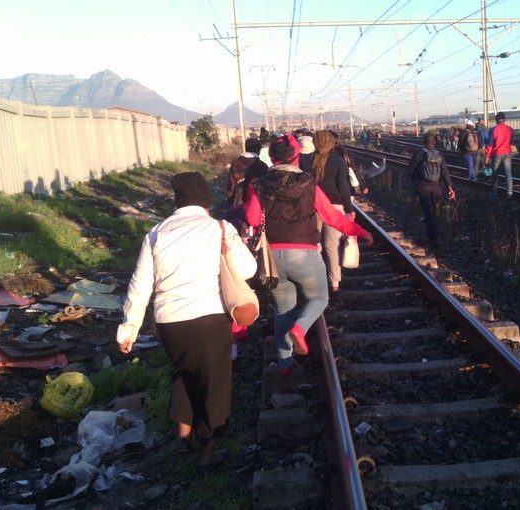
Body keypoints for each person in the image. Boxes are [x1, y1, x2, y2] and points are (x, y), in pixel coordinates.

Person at [117, 172, 256, 474]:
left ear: (176, 201)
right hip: (209, 318)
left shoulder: (155, 233)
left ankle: (182, 437)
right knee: (215, 384)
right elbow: (248, 269)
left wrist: (129, 329)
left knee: (184, 371)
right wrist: (230, 248)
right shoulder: (219, 228)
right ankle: (207, 453)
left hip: (170, 324)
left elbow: (140, 285)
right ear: (206, 200)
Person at [243, 134, 373, 376]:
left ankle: (284, 364)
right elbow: (333, 218)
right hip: (305, 255)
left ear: (271, 157)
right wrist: (361, 232)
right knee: (318, 298)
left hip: (271, 258)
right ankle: (301, 329)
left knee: (282, 310)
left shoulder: (258, 185)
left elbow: (250, 219)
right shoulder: (309, 184)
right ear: (297, 157)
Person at [313, 130, 355, 294]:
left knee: (315, 245)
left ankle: (316, 280)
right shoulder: (338, 161)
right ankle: (335, 283)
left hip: (313, 206)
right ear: (331, 143)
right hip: (334, 207)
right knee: (332, 246)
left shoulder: (307, 160)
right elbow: (344, 188)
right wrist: (349, 209)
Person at [409, 133, 456, 248]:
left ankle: (435, 237)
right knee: (433, 211)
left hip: (423, 187)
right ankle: (434, 235)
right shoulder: (439, 155)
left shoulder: (418, 153)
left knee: (428, 213)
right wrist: (450, 188)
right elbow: (445, 172)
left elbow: (411, 171)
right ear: (434, 142)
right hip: (436, 187)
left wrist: (416, 181)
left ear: (424, 142)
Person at [227, 138, 269, 207]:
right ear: (258, 150)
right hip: (256, 205)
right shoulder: (263, 166)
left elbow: (231, 185)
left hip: (238, 205)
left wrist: (230, 202)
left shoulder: (236, 163)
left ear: (246, 148)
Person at [485, 112, 515, 199]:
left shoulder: (493, 130)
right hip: (507, 153)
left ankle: (494, 192)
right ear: (504, 120)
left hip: (496, 154)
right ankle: (509, 192)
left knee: (495, 174)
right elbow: (511, 142)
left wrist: (487, 156)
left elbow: (489, 144)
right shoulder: (510, 129)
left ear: (496, 120)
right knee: (508, 173)